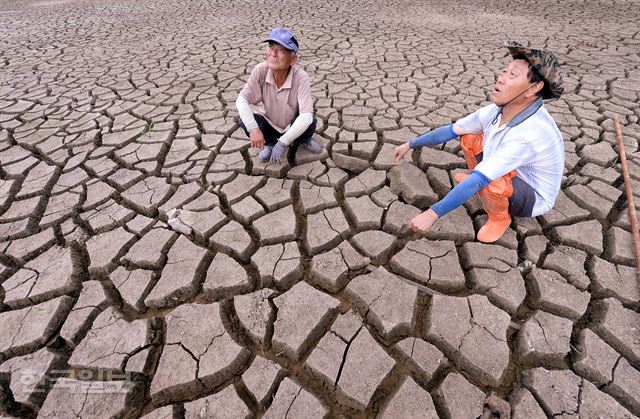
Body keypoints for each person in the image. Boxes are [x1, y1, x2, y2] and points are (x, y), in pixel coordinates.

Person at [394, 41, 564, 243]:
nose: (501, 79)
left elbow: (483, 178)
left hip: (531, 194)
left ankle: (499, 218)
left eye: (512, 75)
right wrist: (411, 143)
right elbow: (451, 130)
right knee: (469, 138)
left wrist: (431, 214)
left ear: (534, 88)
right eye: (504, 71)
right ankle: (480, 184)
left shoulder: (530, 134)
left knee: (491, 183)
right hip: (510, 170)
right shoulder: (497, 110)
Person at [236, 28, 323, 163]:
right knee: (245, 121)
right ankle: (270, 144)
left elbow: (305, 116)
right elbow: (242, 100)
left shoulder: (301, 77)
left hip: (291, 124)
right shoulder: (260, 71)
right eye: (271, 47)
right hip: (269, 123)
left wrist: (283, 142)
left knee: (310, 121)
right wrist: (253, 129)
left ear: (292, 59)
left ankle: (304, 140)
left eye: (281, 50)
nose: (273, 53)